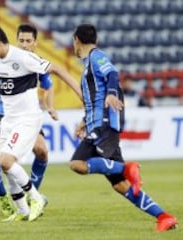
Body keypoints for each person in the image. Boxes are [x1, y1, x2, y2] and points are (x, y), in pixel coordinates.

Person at [0, 24, 82, 222]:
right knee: (5, 165)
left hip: (27, 120)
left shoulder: (24, 58)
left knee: (6, 161)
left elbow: (58, 69)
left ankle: (36, 199)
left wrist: (80, 94)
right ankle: (23, 211)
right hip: (8, 120)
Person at [69, 23, 178, 232]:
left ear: (77, 40)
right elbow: (95, 99)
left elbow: (113, 74)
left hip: (104, 125)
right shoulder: (89, 64)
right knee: (121, 185)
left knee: (77, 163)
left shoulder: (96, 57)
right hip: (98, 123)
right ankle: (164, 216)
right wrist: (85, 121)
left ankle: (126, 168)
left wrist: (111, 93)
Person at [0, 23, 63, 217]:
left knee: (41, 151)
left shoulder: (34, 63)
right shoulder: (5, 56)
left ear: (35, 43)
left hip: (25, 115)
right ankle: (5, 198)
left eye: (28, 41)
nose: (24, 44)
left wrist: (50, 107)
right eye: (21, 40)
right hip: (0, 110)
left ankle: (31, 197)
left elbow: (47, 86)